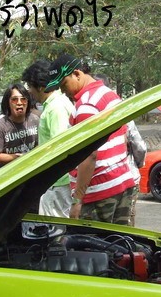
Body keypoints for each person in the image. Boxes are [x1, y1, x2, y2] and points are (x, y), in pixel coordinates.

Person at [45, 54, 135, 225]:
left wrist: (77, 200)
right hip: (122, 183)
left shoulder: (86, 105)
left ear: (77, 74)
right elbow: (123, 137)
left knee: (94, 241)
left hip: (99, 192)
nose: (63, 91)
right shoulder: (110, 95)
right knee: (119, 240)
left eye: (64, 85)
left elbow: (89, 155)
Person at [93, 74, 147, 226]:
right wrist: (138, 164)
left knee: (102, 227)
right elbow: (139, 146)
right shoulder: (121, 114)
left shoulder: (91, 114)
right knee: (125, 226)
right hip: (126, 177)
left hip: (101, 183)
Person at [22, 60, 74, 217]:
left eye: (30, 87)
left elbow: (60, 147)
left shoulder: (55, 108)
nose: (30, 92)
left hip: (58, 183)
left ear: (40, 86)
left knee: (53, 228)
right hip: (58, 181)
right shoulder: (58, 103)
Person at [0, 83, 39, 170]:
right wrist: (18, 157)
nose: (19, 103)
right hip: (8, 174)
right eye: (14, 99)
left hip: (29, 171)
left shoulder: (35, 120)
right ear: (8, 103)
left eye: (23, 99)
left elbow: (39, 145)